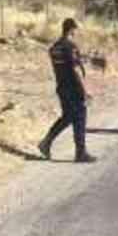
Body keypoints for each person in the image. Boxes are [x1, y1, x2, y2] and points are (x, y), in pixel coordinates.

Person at [37, 18, 96, 162]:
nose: (76, 32)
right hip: (73, 88)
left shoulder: (55, 47)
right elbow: (75, 69)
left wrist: (85, 58)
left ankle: (46, 142)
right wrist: (85, 91)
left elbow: (66, 64)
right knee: (80, 116)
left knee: (68, 117)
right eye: (76, 29)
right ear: (71, 29)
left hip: (61, 87)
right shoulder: (71, 46)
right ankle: (80, 153)